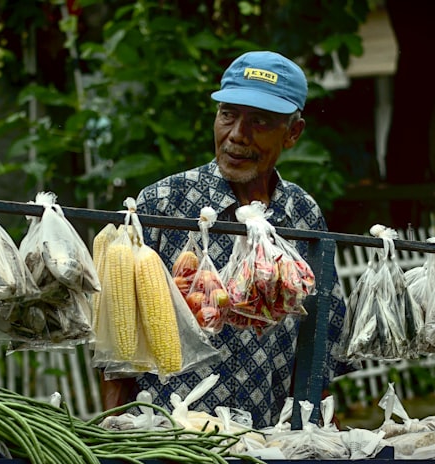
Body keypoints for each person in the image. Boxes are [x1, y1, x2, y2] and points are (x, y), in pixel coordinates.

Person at [101, 50, 349, 428]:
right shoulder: (165, 205)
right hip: (171, 439)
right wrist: (112, 431)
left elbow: (322, 346)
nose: (236, 135)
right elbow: (117, 350)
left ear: (293, 133)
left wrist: (318, 435)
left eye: (260, 121)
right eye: (227, 115)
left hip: (270, 441)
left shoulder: (303, 215)